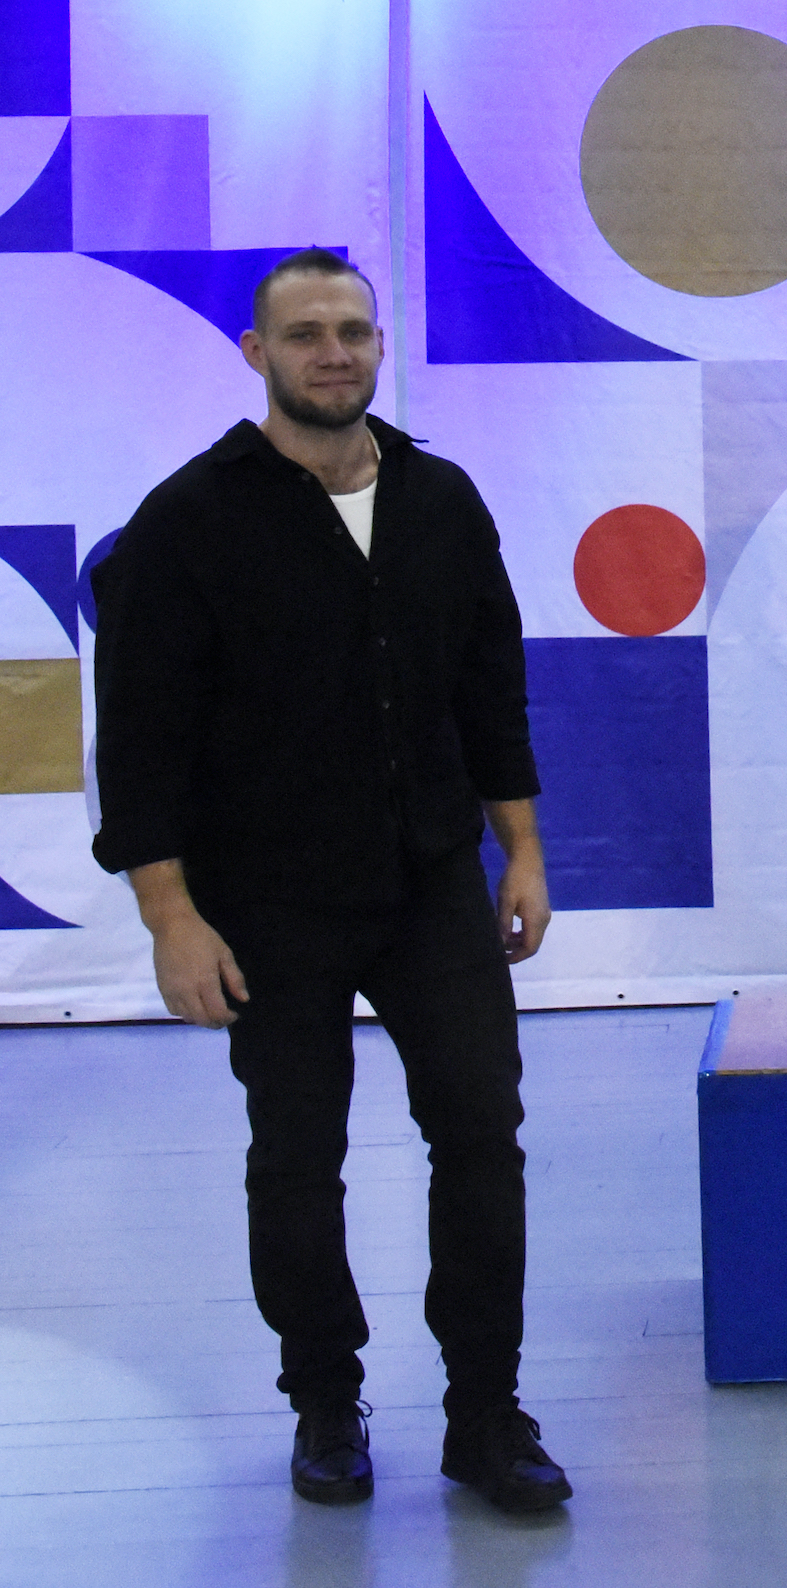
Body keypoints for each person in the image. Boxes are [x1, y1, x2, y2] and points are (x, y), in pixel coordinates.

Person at [90, 249, 571, 1513]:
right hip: (268, 902)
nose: (333, 352)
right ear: (257, 354)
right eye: (304, 333)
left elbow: (490, 692)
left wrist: (521, 850)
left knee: (482, 1138)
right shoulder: (187, 521)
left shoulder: (441, 499)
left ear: (378, 345)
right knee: (297, 1158)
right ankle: (323, 1399)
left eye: (352, 330)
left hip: (432, 884)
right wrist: (171, 917)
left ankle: (486, 1413)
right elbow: (137, 743)